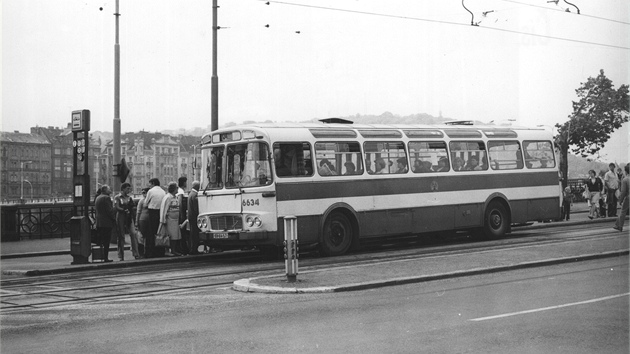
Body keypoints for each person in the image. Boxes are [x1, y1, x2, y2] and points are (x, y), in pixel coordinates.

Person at [113, 182, 139, 261]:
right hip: (121, 216)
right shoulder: (117, 197)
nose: (129, 190)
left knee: (133, 234)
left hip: (128, 217)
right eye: (127, 188)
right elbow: (116, 207)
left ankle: (136, 253)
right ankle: (121, 255)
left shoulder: (129, 198)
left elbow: (133, 206)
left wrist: (131, 208)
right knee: (121, 236)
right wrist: (124, 209)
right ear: (123, 189)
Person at [144, 178, 166, 258]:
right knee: (159, 232)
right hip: (160, 212)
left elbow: (145, 204)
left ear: (153, 183)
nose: (149, 185)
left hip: (152, 212)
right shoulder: (163, 191)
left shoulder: (151, 191)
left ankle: (150, 252)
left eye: (150, 183)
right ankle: (160, 251)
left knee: (150, 233)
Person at [160, 182, 183, 256]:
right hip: (169, 220)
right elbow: (164, 209)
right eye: (176, 188)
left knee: (175, 235)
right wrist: (163, 220)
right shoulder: (168, 197)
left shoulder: (175, 197)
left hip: (175, 220)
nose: (177, 189)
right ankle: (168, 251)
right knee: (169, 236)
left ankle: (174, 250)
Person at [94, 185, 115, 262]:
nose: (110, 190)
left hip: (99, 222)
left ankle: (100, 257)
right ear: (105, 190)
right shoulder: (106, 198)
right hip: (106, 222)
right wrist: (114, 218)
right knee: (106, 241)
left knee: (101, 240)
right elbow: (109, 210)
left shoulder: (98, 197)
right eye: (109, 189)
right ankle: (105, 257)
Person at [135, 187, 150, 257]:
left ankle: (147, 252)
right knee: (141, 237)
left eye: (145, 192)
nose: (144, 194)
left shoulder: (150, 200)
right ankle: (141, 253)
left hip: (149, 220)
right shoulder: (141, 201)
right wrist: (136, 222)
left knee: (148, 237)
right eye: (143, 193)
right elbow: (138, 212)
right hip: (142, 220)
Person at [187, 180, 201, 255]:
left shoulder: (191, 194)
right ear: (197, 186)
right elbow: (196, 208)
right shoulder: (195, 195)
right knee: (195, 234)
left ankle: (192, 248)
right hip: (194, 217)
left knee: (192, 233)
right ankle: (194, 249)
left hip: (191, 216)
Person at [614, 164, 629, 232]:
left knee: (623, 212)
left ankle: (619, 225)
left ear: (626, 171)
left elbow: (623, 192)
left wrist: (620, 200)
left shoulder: (625, 179)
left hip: (628, 197)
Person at [177, 176, 189, 255]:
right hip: (182, 214)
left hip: (181, 213)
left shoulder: (180, 190)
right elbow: (180, 203)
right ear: (184, 182)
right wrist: (181, 214)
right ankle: (183, 249)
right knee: (182, 232)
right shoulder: (180, 191)